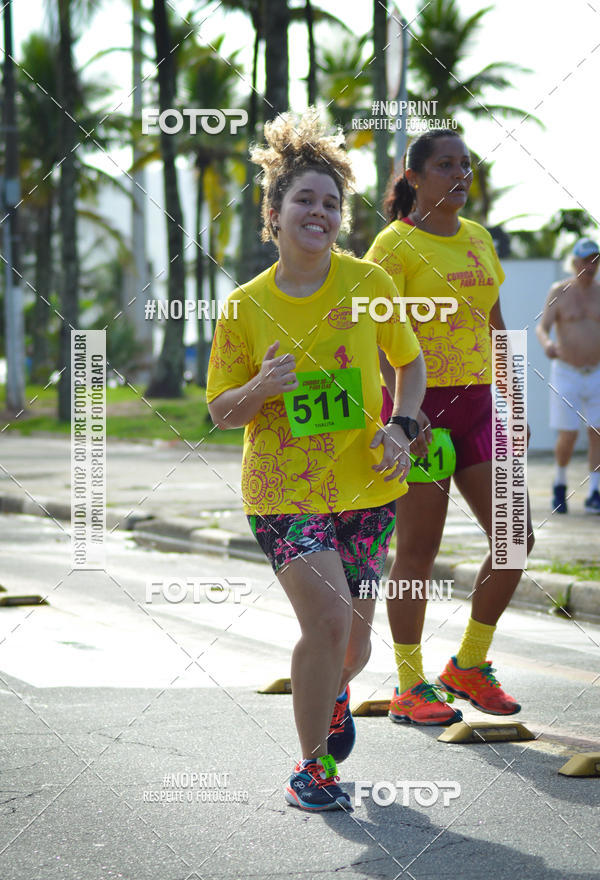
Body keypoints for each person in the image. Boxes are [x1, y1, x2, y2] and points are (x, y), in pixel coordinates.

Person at [206, 110, 425, 810]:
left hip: (366, 485)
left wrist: (402, 426)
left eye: (331, 203)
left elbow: (410, 364)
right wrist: (259, 388)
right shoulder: (244, 307)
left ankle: (333, 692)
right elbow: (220, 411)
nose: (319, 213)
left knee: (355, 650)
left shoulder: (369, 285)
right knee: (327, 624)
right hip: (282, 492)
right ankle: (311, 767)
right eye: (304, 199)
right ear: (273, 214)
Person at [364, 128, 534, 726]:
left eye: (466, 164)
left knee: (515, 539)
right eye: (445, 165)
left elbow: (495, 323)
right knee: (418, 552)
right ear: (413, 177)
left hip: (479, 407)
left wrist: (514, 401)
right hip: (421, 413)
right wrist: (401, 413)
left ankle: (469, 664)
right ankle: (410, 684)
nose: (460, 174)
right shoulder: (393, 245)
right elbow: (375, 336)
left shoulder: (479, 238)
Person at [535, 237, 600, 514]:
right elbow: (542, 327)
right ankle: (560, 483)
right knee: (568, 433)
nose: (591, 266)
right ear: (574, 262)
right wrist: (547, 344)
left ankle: (595, 490)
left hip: (596, 371)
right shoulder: (559, 291)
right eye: (586, 260)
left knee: (597, 431)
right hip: (566, 371)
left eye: (595, 260)